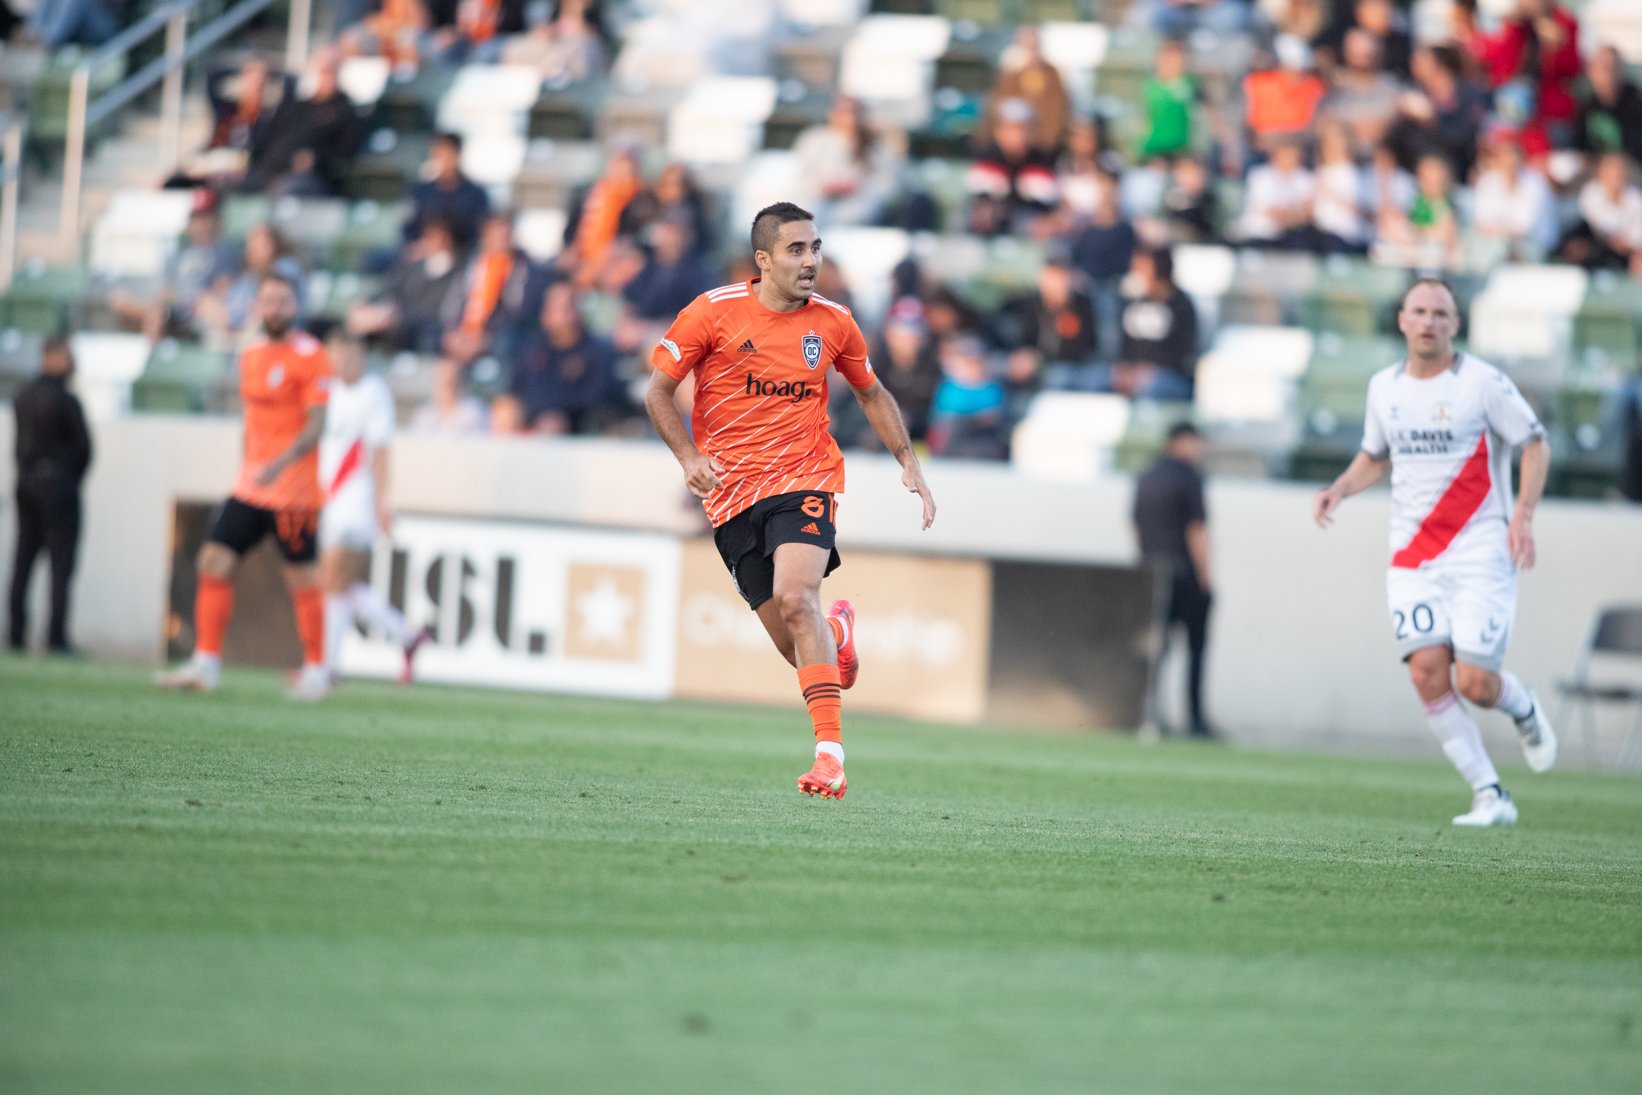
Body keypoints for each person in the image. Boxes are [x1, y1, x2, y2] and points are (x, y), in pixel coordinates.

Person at [643, 202, 936, 799]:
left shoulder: (834, 322)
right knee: (793, 639)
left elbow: (872, 392)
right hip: (731, 494)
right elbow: (659, 392)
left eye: (816, 248)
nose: (811, 261)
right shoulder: (712, 313)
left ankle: (830, 757)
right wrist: (689, 458)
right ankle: (838, 634)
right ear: (763, 259)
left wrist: (908, 461)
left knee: (795, 596)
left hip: (806, 476)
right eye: (796, 250)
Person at [1313, 278, 1557, 827]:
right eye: (1418, 311)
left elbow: (1535, 441)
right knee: (1427, 672)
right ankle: (1490, 793)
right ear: (1401, 320)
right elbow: (1375, 456)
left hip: (1478, 549)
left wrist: (1523, 515)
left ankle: (1522, 707)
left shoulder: (1482, 383)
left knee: (1474, 683)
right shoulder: (1384, 388)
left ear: (1455, 324)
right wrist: (1339, 488)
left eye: (1439, 313)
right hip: (1413, 554)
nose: (1427, 322)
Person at [155, 274, 334, 699]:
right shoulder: (251, 355)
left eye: (283, 301)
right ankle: (206, 663)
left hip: (293, 489)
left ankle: (316, 669)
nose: (275, 309)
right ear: (258, 306)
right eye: (268, 300)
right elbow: (253, 422)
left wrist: (280, 463)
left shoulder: (312, 357)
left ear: (296, 307)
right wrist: (249, 467)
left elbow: (317, 426)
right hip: (251, 487)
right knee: (213, 560)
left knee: (301, 577)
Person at [315, 330, 429, 685]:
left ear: (362, 358)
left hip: (357, 497)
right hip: (329, 498)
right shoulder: (328, 392)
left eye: (349, 357)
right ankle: (406, 635)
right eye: (336, 356)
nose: (342, 364)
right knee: (339, 584)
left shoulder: (373, 393)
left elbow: (380, 451)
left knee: (335, 578)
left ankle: (329, 665)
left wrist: (382, 502)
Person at [8, 336, 92, 654]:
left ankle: (16, 634)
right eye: (68, 356)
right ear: (53, 357)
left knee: (22, 559)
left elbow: (18, 447)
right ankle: (55, 637)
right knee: (61, 563)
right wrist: (69, 480)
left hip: (26, 481)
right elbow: (83, 450)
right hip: (58, 485)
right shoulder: (66, 400)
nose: (72, 362)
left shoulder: (23, 395)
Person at [1134, 422, 1214, 738]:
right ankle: (1194, 719)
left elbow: (1134, 525)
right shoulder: (1190, 477)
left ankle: (1150, 715)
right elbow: (1197, 530)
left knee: (1156, 648)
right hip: (1185, 572)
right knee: (1196, 649)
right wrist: (1205, 575)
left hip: (1151, 571)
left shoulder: (1147, 475)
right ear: (1181, 442)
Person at [404, 132, 491, 254]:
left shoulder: (475, 194)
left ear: (457, 155)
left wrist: (449, 243)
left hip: (460, 257)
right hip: (423, 255)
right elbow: (409, 227)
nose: (443, 160)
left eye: (448, 154)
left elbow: (480, 233)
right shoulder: (420, 191)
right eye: (438, 154)